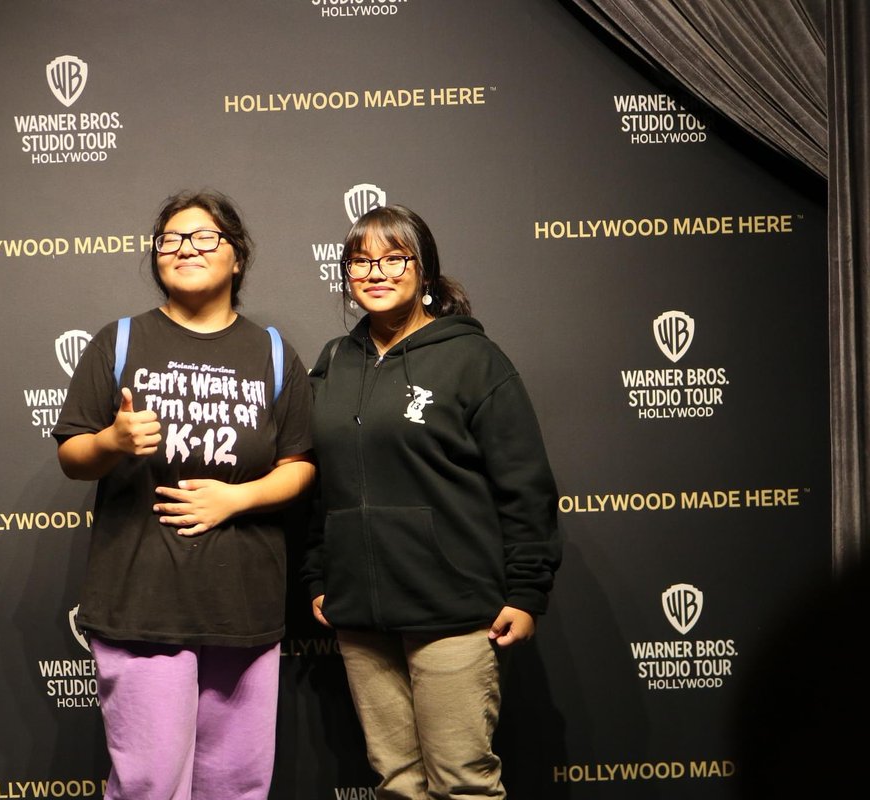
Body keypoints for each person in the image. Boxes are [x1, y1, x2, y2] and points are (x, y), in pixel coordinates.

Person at [53, 189, 314, 800]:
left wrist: (236, 498)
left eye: (203, 238)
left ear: (237, 257)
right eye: (169, 240)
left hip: (242, 603)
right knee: (150, 782)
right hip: (142, 601)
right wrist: (113, 441)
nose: (184, 249)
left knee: (238, 784)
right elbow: (71, 457)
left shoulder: (274, 354)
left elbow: (299, 466)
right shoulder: (118, 342)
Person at [303, 205, 561, 799]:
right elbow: (320, 481)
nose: (377, 271)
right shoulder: (333, 363)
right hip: (361, 615)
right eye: (361, 261)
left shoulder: (474, 360)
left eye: (394, 257)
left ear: (424, 270)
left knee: (462, 782)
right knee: (396, 783)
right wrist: (318, 572)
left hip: (453, 610)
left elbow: (524, 484)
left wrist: (527, 591)